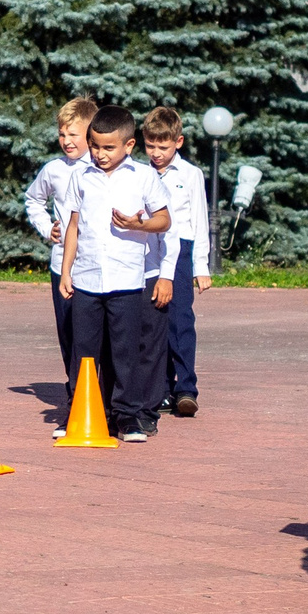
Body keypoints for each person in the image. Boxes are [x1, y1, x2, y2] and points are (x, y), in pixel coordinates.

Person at [57, 105, 171, 442]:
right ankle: (82, 411)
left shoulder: (144, 177)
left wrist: (140, 224)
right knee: (85, 352)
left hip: (125, 280)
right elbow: (73, 226)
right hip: (88, 279)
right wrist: (66, 271)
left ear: (129, 145)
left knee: (124, 352)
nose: (100, 154)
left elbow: (164, 220)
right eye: (95, 146)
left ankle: (128, 417)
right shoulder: (81, 176)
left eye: (108, 147)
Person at [139, 107, 210, 418]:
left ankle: (186, 388)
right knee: (153, 321)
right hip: (147, 251)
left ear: (178, 142)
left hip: (181, 250)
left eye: (163, 146)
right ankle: (161, 388)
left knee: (180, 320)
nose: (156, 153)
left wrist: (201, 266)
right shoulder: (139, 174)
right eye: (150, 145)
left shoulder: (190, 175)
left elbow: (199, 220)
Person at [24, 96, 96, 401]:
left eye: (73, 135)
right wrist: (47, 228)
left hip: (95, 263)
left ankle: (98, 392)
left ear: (91, 134)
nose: (66, 141)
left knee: (92, 333)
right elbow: (33, 199)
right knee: (68, 330)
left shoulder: (101, 167)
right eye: (62, 134)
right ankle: (74, 388)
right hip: (61, 265)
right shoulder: (54, 169)